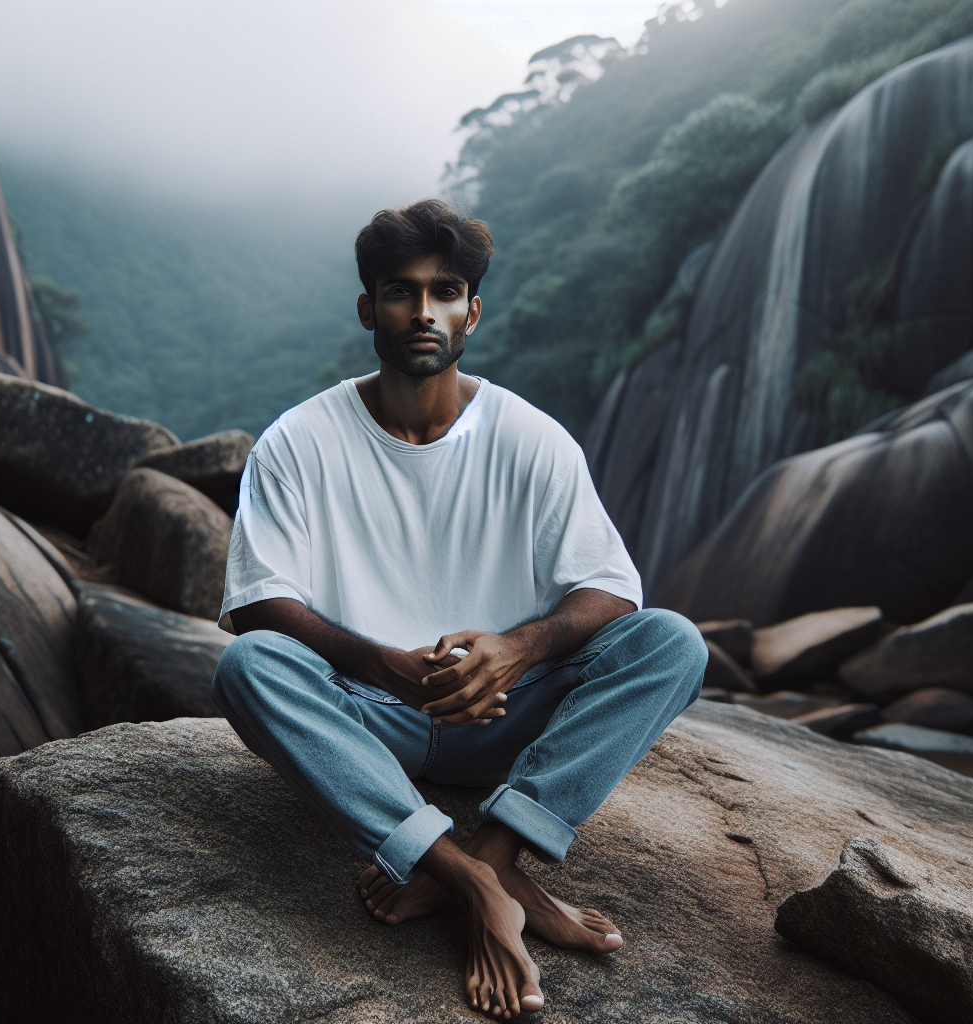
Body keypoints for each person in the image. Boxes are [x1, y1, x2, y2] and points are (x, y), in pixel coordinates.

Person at [212, 199, 706, 1020]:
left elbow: (612, 588)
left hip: (508, 708)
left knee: (671, 645)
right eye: (401, 292)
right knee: (249, 668)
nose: (424, 312)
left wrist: (517, 647)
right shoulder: (298, 441)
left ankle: (495, 851)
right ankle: (474, 879)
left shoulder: (531, 437)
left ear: (472, 310)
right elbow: (259, 602)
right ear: (370, 308)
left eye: (446, 292)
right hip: (374, 717)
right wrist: (384, 668)